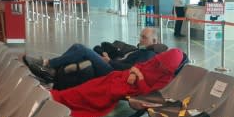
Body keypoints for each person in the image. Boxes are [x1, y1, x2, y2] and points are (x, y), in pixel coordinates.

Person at [51, 48, 186, 117]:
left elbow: (148, 93)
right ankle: (60, 97)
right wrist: (134, 72)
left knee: (95, 92)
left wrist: (138, 76)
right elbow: (139, 66)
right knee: (90, 86)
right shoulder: (156, 60)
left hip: (130, 87)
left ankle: (60, 99)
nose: (160, 65)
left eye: (164, 65)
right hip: (123, 77)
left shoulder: (166, 79)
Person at [23, 28, 160, 85]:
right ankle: (53, 70)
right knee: (78, 48)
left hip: (116, 73)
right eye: (141, 36)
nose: (141, 39)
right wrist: (109, 55)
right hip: (112, 65)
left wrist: (110, 61)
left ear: (154, 41)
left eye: (144, 38)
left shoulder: (148, 54)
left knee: (82, 49)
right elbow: (124, 57)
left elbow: (131, 68)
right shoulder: (140, 50)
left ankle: (48, 64)